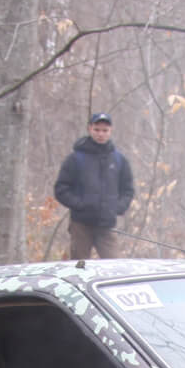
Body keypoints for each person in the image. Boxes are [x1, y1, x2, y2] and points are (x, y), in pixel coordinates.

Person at [53, 111, 135, 259]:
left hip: (107, 226)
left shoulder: (119, 160)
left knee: (115, 265)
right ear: (90, 129)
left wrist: (118, 207)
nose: (100, 134)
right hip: (80, 225)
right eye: (97, 130)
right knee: (80, 266)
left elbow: (128, 190)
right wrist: (80, 204)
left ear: (110, 131)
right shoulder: (75, 159)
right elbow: (61, 189)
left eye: (105, 130)